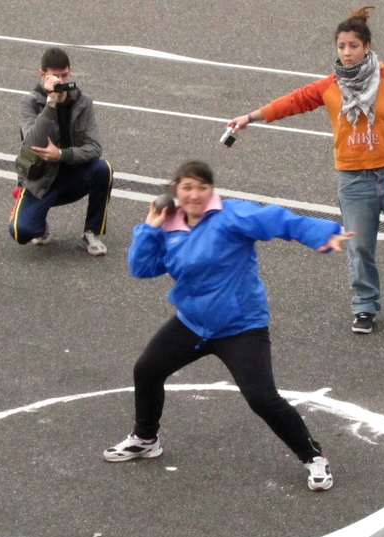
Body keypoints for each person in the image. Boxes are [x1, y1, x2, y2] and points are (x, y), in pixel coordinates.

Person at [103, 161, 354, 491]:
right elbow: (141, 268)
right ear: (174, 192)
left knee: (262, 399)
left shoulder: (231, 216)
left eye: (202, 188)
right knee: (147, 370)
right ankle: (146, 439)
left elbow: (276, 220)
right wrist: (150, 226)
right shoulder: (170, 226)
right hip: (192, 323)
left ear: (212, 191)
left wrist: (322, 234)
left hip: (240, 327)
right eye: (187, 188)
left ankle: (313, 457)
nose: (195, 195)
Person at [228, 6, 384, 334]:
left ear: (367, 48)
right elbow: (292, 101)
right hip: (354, 180)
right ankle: (364, 307)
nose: (347, 53)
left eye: (353, 46)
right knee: (360, 248)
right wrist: (249, 117)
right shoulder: (329, 86)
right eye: (341, 46)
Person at [8, 47, 113, 256]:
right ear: (42, 75)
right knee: (22, 232)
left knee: (103, 169)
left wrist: (62, 155)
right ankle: (40, 226)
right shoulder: (29, 102)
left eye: (64, 75)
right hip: (41, 182)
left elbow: (94, 148)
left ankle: (91, 233)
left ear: (70, 71)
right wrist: (51, 103)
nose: (61, 81)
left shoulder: (83, 102)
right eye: (55, 76)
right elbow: (32, 143)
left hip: (73, 176)